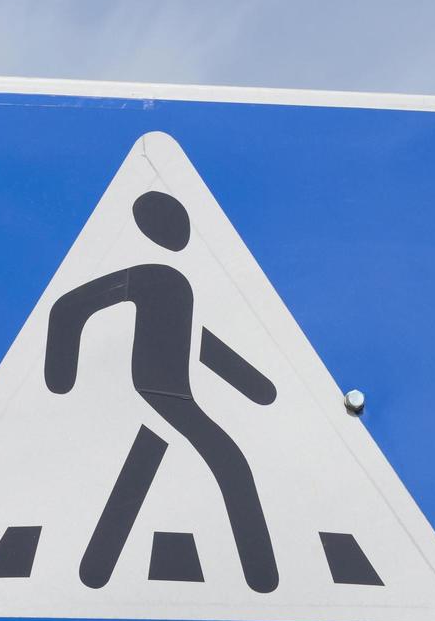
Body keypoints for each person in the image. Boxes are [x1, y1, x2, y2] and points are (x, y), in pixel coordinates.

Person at [44, 190, 280, 593]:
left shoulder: (177, 282)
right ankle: (263, 577)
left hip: (171, 394)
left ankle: (94, 572)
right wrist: (60, 375)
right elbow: (69, 309)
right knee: (229, 463)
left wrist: (257, 387)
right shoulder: (153, 275)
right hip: (151, 393)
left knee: (143, 471)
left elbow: (196, 341)